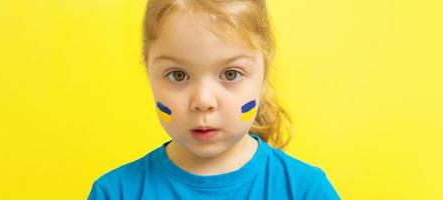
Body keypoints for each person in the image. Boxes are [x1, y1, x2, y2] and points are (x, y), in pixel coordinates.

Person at [87, 0, 340, 199]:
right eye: (178, 75)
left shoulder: (307, 190)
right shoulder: (115, 192)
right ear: (149, 73)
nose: (203, 101)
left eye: (231, 74)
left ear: (264, 74)